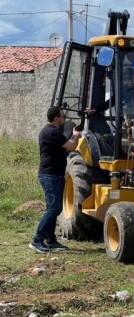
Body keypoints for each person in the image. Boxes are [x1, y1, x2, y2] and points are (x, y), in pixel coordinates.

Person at [29, 106, 82, 254]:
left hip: (52, 174)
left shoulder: (49, 131)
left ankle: (50, 239)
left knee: (51, 207)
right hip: (50, 175)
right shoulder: (53, 132)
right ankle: (37, 239)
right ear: (57, 117)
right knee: (54, 208)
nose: (64, 118)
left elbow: (64, 147)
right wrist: (76, 135)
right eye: (62, 116)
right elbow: (72, 146)